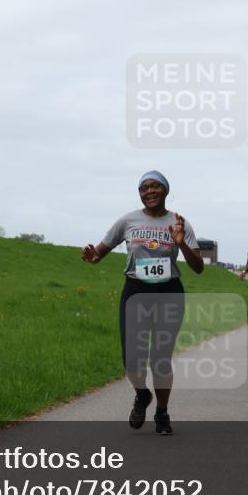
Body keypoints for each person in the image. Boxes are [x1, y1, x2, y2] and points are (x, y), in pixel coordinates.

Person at [81, 171, 203, 435]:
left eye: (155, 186)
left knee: (160, 358)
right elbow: (99, 252)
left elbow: (198, 267)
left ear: (166, 190)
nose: (149, 191)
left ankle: (162, 412)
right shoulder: (128, 220)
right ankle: (142, 394)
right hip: (135, 291)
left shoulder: (179, 222)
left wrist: (181, 243)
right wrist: (92, 256)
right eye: (144, 188)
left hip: (169, 293)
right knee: (132, 360)